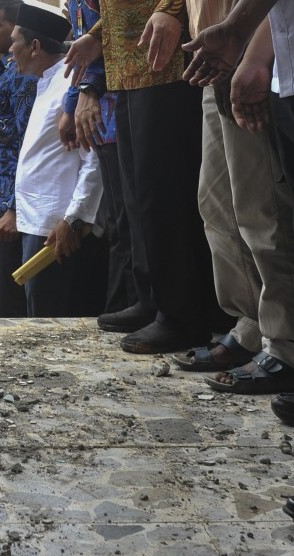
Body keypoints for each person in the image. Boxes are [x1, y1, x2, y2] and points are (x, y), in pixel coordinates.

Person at [65, 0, 222, 353]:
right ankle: (153, 298)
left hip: (167, 60)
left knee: (164, 192)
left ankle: (182, 315)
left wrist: (170, 8)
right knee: (138, 194)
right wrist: (96, 34)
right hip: (127, 65)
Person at [193, 10, 294, 395]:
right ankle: (251, 325)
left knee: (261, 207)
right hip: (222, 50)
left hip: (256, 47)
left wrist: (248, 47)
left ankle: (284, 343)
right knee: (217, 205)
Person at [11, 5, 104, 317]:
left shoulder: (70, 84)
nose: (10, 50)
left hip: (58, 228)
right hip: (37, 222)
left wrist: (74, 218)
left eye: (15, 42)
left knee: (53, 322)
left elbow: (93, 159)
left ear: (35, 47)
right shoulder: (45, 83)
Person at [59, 0, 140, 317]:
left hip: (120, 108)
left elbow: (113, 37)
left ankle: (137, 304)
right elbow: (79, 61)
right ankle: (124, 304)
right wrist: (71, 105)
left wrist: (89, 91)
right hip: (101, 122)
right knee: (120, 223)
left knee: (133, 221)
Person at [0, 0, 37, 317]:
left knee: (16, 305)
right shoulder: (8, 71)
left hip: (17, 211)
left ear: (16, 29)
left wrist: (14, 208)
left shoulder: (24, 77)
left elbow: (28, 148)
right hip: (1, 205)